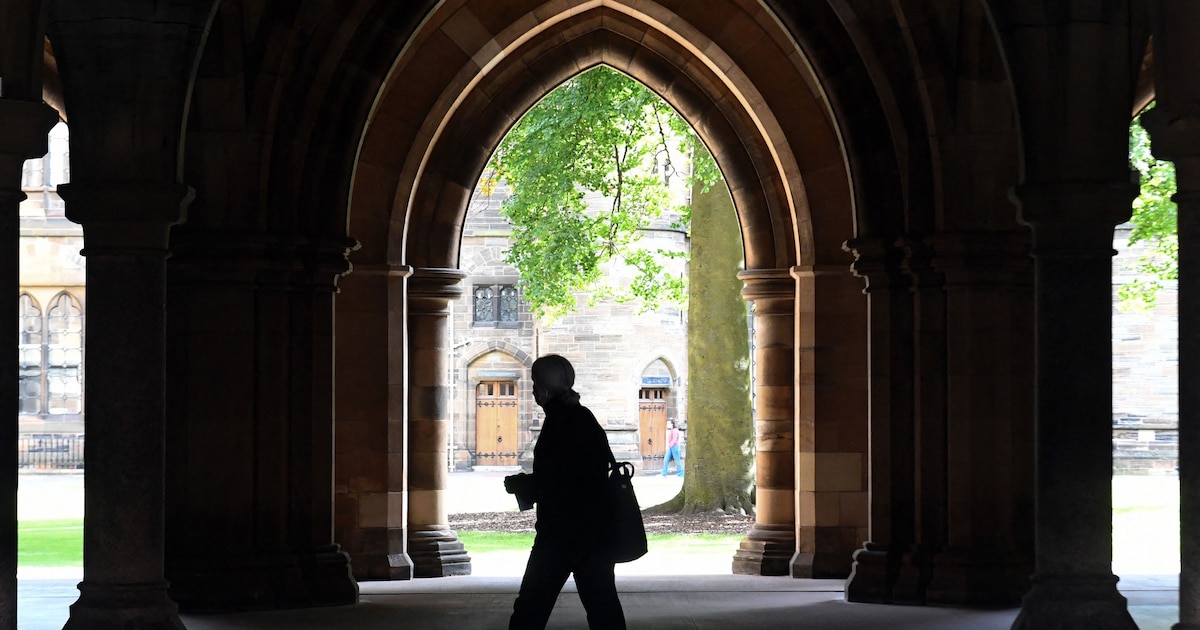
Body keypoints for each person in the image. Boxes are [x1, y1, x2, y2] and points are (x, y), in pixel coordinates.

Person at [504, 354, 626, 630]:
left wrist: (522, 485)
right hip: (594, 533)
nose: (533, 389)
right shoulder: (583, 417)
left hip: (561, 534)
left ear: (545, 389)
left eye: (535, 383)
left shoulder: (559, 422)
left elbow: (559, 480)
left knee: (530, 610)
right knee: (603, 609)